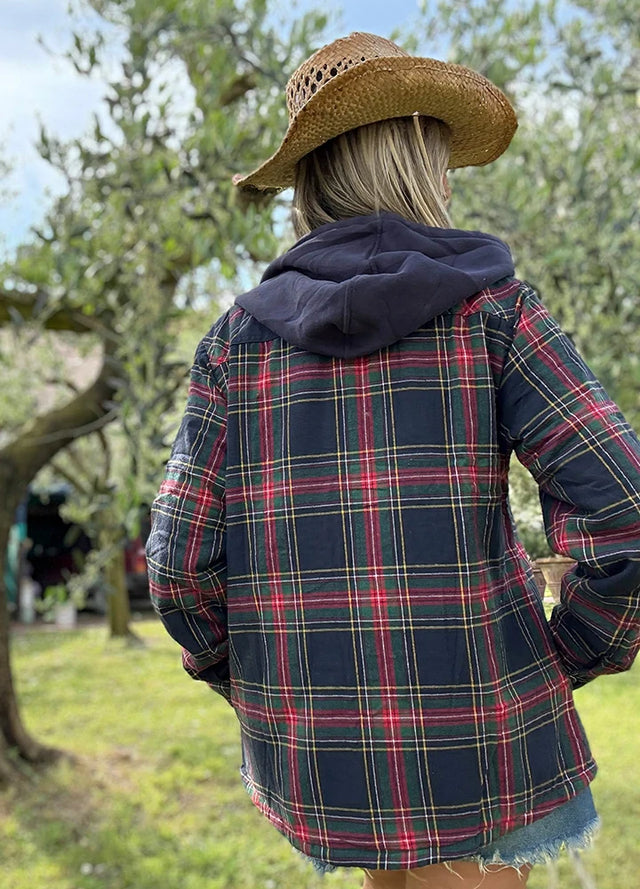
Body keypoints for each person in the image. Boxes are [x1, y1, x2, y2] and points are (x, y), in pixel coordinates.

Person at [145, 32, 640, 889]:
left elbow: (179, 567)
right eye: (441, 155)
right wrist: (575, 652)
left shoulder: (235, 344)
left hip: (320, 750)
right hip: (481, 732)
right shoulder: (495, 314)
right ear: (416, 162)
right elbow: (625, 509)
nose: (449, 176)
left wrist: (268, 683)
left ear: (312, 178)